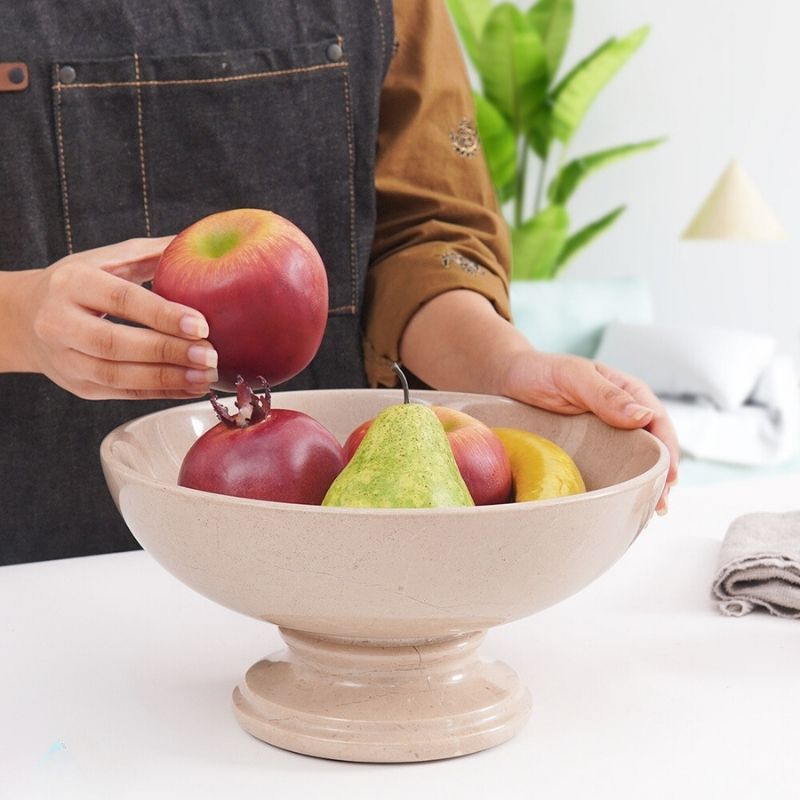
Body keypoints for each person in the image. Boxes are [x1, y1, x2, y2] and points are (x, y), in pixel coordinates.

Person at [0, 0, 678, 565]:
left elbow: (422, 237)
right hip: (33, 577)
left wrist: (507, 363)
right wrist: (18, 320)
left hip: (350, 575)